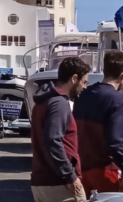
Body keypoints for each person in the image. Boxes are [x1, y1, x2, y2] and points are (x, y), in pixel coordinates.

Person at [31, 56, 91, 202]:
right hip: (59, 183)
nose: (85, 87)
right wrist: (70, 176)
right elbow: (52, 141)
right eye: (84, 82)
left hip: (42, 181)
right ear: (74, 78)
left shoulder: (43, 102)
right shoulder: (59, 104)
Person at [73, 51, 123, 194]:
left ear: (104, 71)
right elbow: (115, 142)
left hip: (80, 171)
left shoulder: (83, 94)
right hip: (105, 171)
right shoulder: (118, 101)